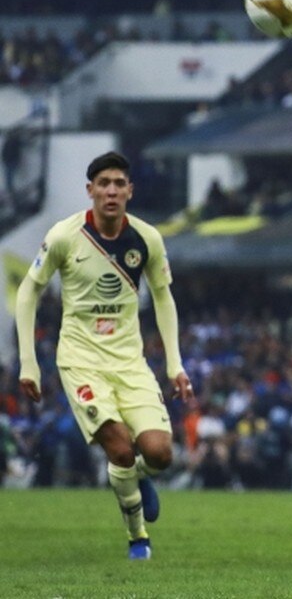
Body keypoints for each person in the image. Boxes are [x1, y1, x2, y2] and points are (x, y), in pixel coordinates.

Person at [15, 151, 193, 560]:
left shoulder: (146, 239)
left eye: (118, 183)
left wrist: (174, 364)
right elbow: (29, 290)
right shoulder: (64, 236)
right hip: (80, 360)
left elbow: (164, 298)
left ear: (130, 190)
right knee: (119, 448)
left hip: (130, 362)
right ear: (90, 190)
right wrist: (29, 361)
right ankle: (139, 538)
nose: (111, 191)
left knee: (159, 453)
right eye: (103, 184)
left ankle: (137, 476)